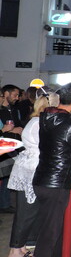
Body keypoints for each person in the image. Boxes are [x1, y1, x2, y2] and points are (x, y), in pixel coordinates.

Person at [32, 83, 71, 257]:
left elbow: (61, 141)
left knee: (55, 228)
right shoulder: (69, 124)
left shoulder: (46, 117)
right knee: (49, 234)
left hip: (41, 179)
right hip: (56, 184)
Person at [7, 87, 59, 257]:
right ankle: (15, 250)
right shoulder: (40, 123)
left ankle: (20, 247)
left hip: (29, 167)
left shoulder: (36, 120)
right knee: (27, 212)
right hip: (32, 169)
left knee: (27, 211)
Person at [0, 84, 23, 214]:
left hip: (13, 146)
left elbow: (18, 124)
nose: (17, 98)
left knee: (8, 175)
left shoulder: (15, 110)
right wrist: (10, 130)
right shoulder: (1, 110)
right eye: (15, 95)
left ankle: (5, 203)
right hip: (3, 146)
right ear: (6, 94)